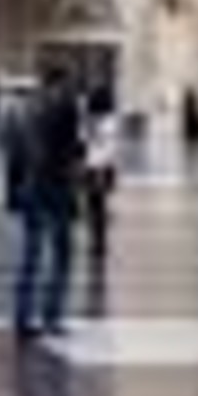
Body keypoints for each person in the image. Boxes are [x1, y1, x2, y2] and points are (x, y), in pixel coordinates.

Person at [5, 67, 83, 339]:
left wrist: (12, 195)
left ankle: (22, 317)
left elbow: (14, 156)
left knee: (30, 256)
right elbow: (70, 156)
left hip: (30, 190)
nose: (70, 89)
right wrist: (74, 194)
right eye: (68, 84)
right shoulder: (66, 108)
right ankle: (52, 315)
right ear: (60, 84)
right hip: (55, 190)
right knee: (62, 255)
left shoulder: (23, 111)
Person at [81, 88, 119, 264]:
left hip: (97, 167)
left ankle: (98, 243)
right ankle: (97, 241)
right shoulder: (99, 121)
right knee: (95, 205)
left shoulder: (105, 122)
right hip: (98, 167)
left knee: (97, 206)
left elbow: (106, 146)